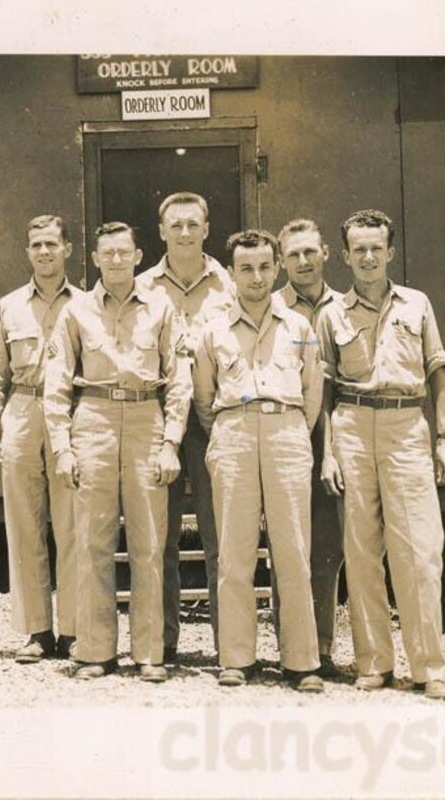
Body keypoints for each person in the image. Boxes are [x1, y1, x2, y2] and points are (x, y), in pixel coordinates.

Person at [317, 209, 445, 700]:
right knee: (361, 550)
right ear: (344, 255)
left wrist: (444, 441)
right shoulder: (331, 314)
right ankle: (374, 662)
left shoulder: (417, 305)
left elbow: (439, 372)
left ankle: (429, 667)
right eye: (357, 248)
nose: (367, 256)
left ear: (390, 252)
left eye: (376, 247)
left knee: (420, 551)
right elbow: (324, 389)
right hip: (353, 427)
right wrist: (328, 454)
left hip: (406, 426)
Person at [45, 222, 191, 683]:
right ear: (94, 258)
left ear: (138, 255)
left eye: (123, 253)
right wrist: (63, 448)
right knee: (93, 540)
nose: (115, 260)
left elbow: (179, 378)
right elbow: (56, 383)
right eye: (107, 253)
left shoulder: (161, 307)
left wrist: (171, 442)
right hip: (94, 420)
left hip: (147, 418)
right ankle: (94, 650)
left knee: (150, 541)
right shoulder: (76, 312)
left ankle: (149, 653)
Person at [192, 229, 325, 693]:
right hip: (233, 432)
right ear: (231, 273)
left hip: (287, 432)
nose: (256, 276)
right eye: (246, 268)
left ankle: (301, 661)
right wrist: (236, 428)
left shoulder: (301, 329)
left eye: (265, 266)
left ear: (276, 268)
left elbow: (312, 394)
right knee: (235, 551)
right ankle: (236, 658)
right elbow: (204, 399)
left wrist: (286, 429)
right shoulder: (212, 329)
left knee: (293, 551)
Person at [0, 214, 81, 663]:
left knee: (73, 523)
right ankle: (37, 631)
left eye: (52, 244)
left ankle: (75, 630)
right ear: (27, 252)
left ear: (68, 250)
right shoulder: (9, 306)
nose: (44, 252)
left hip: (72, 415)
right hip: (21, 410)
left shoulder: (86, 303)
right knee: (24, 524)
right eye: (36, 245)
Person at [136, 192, 235, 664]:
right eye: (175, 225)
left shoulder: (229, 284)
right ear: (161, 232)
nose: (184, 233)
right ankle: (164, 641)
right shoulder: (142, 287)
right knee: (161, 537)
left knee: (220, 539)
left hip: (215, 420)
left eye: (193, 224)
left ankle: (228, 644)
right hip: (160, 424)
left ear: (206, 228)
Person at [270, 218, 345, 678]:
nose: (302, 262)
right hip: (286, 431)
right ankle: (290, 649)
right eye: (293, 254)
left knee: (328, 545)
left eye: (310, 252)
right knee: (287, 543)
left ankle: (322, 646)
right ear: (281, 260)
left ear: (325, 255)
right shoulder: (270, 305)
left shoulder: (343, 307)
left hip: (335, 432)